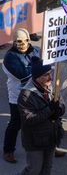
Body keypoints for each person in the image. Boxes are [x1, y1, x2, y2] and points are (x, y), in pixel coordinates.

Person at [18, 60, 65, 175]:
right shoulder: (26, 95)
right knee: (34, 169)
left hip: (51, 136)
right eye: (46, 75)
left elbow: (62, 106)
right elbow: (29, 119)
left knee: (47, 168)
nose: (50, 77)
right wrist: (50, 110)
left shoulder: (52, 87)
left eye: (51, 73)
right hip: (35, 139)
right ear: (37, 77)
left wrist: (59, 109)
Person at [1, 29, 40, 163]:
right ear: (14, 42)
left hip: (36, 93)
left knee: (41, 122)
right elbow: (23, 74)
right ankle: (8, 150)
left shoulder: (35, 50)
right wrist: (38, 69)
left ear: (29, 40)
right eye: (18, 41)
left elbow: (43, 67)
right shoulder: (9, 57)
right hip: (18, 95)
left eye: (25, 40)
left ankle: (48, 147)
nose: (22, 44)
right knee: (15, 123)